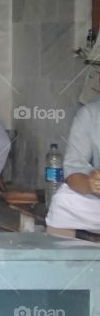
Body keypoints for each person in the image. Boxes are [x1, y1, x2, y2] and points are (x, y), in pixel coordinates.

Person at [46, 100, 100, 234]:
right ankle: (64, 254)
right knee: (63, 201)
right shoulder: (90, 114)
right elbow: (73, 172)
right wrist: (90, 184)